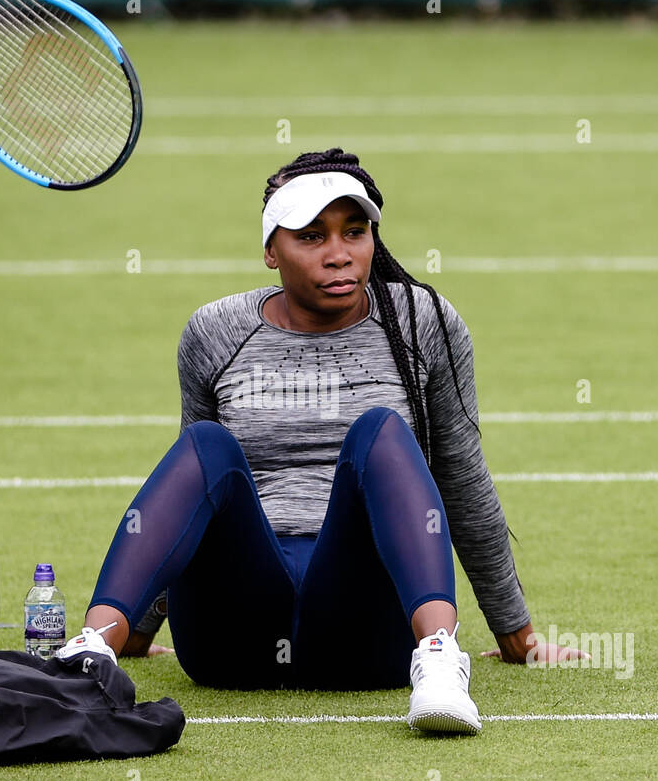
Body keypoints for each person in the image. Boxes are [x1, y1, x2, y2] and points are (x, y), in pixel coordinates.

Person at [66, 148, 583, 732]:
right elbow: (193, 499)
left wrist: (516, 633)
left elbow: (462, 479)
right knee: (207, 443)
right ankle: (92, 656)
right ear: (270, 251)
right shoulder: (215, 330)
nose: (339, 254)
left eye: (354, 232)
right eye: (311, 237)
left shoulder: (422, 323)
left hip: (367, 634)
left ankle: (438, 662)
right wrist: (136, 629)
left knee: (379, 429)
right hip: (235, 638)